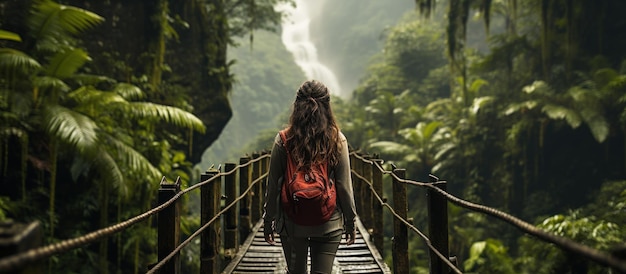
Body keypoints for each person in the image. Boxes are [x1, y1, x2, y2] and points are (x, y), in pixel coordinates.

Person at [263, 80, 358, 274]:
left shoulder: (283, 139)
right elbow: (343, 185)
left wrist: (268, 220)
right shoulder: (337, 139)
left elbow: (273, 186)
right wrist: (350, 221)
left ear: (297, 105)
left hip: (292, 223)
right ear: (327, 106)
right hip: (328, 223)